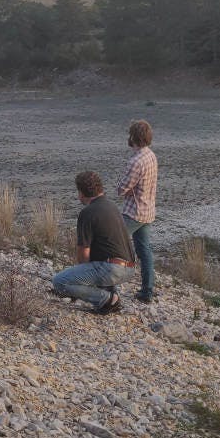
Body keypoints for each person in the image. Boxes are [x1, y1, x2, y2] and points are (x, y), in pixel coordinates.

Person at [51, 171, 136, 314]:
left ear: (81, 193)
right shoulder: (112, 206)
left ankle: (107, 299)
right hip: (130, 268)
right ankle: (110, 293)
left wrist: (79, 279)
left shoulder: (88, 212)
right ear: (100, 188)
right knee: (94, 265)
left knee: (59, 282)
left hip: (112, 269)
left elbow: (83, 254)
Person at [117, 119, 158, 303]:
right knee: (145, 251)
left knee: (112, 243)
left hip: (134, 211)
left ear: (133, 137)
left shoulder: (135, 161)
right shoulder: (151, 155)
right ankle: (147, 291)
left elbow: (122, 189)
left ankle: (107, 285)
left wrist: (121, 187)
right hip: (147, 210)